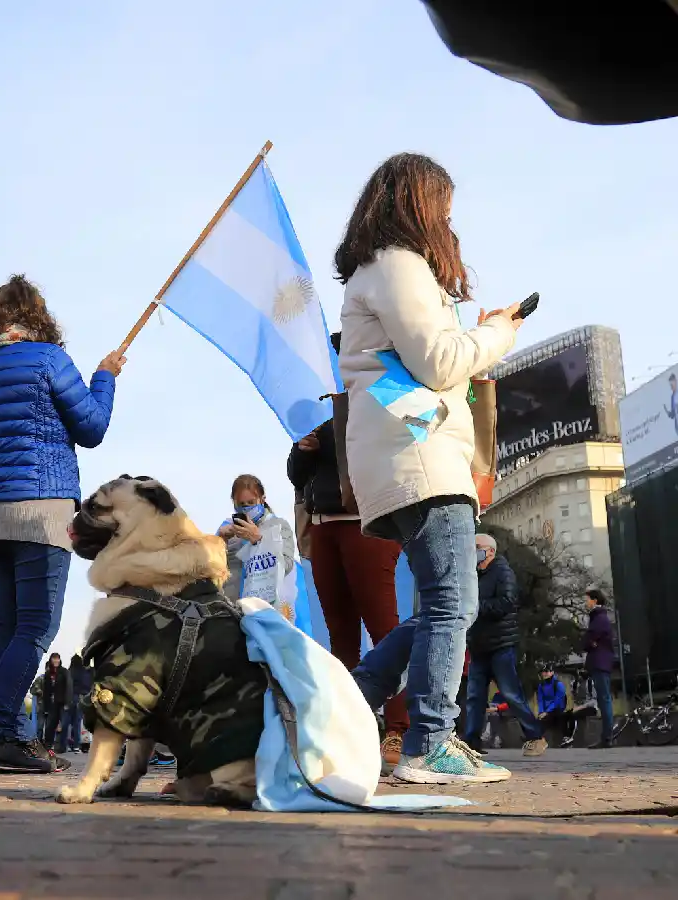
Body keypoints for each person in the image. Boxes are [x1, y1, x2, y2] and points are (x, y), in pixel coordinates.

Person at [338, 153, 524, 784]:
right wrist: (497, 334)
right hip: (418, 454)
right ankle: (429, 744)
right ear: (416, 203)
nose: (448, 218)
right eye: (441, 205)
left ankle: (354, 702)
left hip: (404, 449)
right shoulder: (397, 263)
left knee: (443, 604)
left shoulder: (382, 269)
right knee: (450, 604)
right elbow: (443, 363)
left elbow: (423, 357)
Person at [0, 274, 123, 774]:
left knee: (6, 629)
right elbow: (91, 428)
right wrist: (105, 376)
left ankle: (1, 734)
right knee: (36, 627)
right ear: (38, 315)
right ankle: (1, 736)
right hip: (40, 501)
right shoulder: (49, 359)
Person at [287, 333, 409, 771]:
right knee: (340, 638)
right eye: (341, 353)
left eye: (349, 351)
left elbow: (418, 434)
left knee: (385, 628)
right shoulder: (333, 413)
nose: (343, 359)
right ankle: (349, 732)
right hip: (326, 528)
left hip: (369, 525)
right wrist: (304, 452)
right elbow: (296, 475)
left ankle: (399, 728)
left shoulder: (391, 391)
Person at [462, 534, 546, 757]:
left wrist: (476, 606)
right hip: (479, 645)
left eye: (476, 547)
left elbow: (507, 603)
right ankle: (471, 742)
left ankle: (535, 737)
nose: (473, 551)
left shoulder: (503, 572)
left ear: (490, 551)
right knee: (474, 697)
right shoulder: (475, 575)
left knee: (510, 693)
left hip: (500, 644)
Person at [215, 476, 296, 610]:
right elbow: (212, 569)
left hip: (264, 607)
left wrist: (259, 540)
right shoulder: (227, 528)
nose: (246, 508)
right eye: (241, 505)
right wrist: (221, 540)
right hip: (231, 606)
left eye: (251, 503)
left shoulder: (278, 525)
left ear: (262, 500)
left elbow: (286, 565)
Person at [583, 589, 616, 748]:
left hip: (600, 662)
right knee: (604, 699)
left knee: (604, 699)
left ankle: (607, 737)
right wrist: (591, 642)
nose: (586, 602)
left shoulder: (599, 618)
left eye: (587, 599)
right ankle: (606, 737)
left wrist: (590, 643)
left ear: (595, 600)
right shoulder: (599, 617)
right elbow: (591, 640)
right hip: (601, 662)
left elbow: (589, 639)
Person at [38, 653, 70, 753]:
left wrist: (67, 702)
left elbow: (69, 687)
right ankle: (48, 745)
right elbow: (46, 690)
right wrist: (46, 705)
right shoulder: (48, 674)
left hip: (62, 702)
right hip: (51, 704)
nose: (56, 661)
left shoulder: (64, 672)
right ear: (51, 660)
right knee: (50, 726)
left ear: (60, 660)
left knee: (63, 725)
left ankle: (61, 747)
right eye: (54, 659)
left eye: (57, 659)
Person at [64, 654, 93, 753]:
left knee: (68, 722)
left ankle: (67, 744)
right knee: (77, 723)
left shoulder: (69, 671)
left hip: (71, 698)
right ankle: (76, 745)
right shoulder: (85, 672)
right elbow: (89, 685)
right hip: (82, 698)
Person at [535, 667, 568, 743]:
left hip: (557, 708)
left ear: (552, 672)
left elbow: (557, 701)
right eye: (543, 672)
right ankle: (533, 737)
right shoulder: (541, 685)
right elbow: (540, 700)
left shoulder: (558, 685)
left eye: (547, 671)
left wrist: (546, 712)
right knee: (539, 719)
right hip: (546, 710)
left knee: (556, 717)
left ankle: (565, 737)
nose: (544, 673)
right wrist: (541, 711)